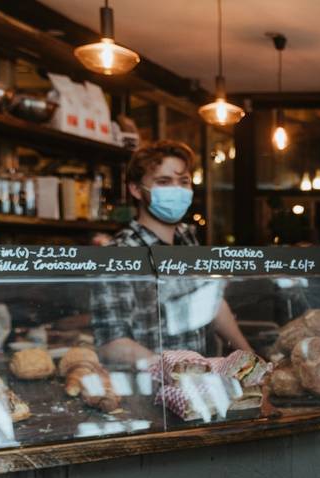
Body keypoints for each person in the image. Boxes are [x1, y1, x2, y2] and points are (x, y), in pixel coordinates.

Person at [92, 140, 253, 365]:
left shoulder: (187, 239)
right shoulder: (118, 254)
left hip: (198, 386)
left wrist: (251, 359)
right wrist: (176, 374)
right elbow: (112, 343)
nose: (176, 190)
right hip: (147, 392)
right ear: (136, 189)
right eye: (164, 182)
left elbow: (212, 304)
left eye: (183, 181)